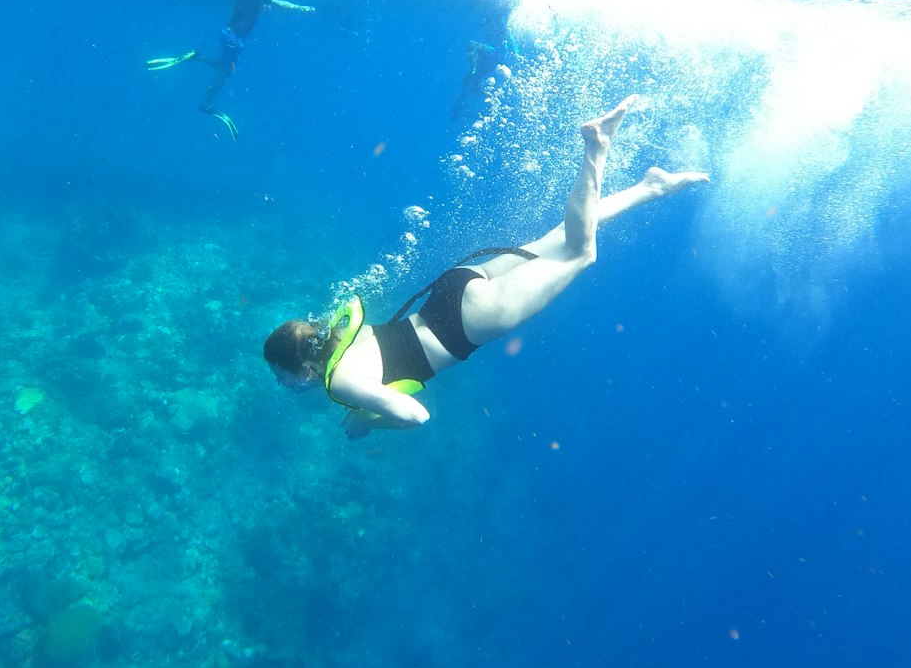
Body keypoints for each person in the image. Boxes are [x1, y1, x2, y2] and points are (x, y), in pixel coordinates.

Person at [264, 95, 708, 437]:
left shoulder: (338, 381)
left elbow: (416, 415)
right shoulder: (339, 334)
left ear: (302, 366)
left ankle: (597, 146)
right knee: (558, 238)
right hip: (453, 289)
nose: (281, 385)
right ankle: (651, 187)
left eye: (279, 375)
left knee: (580, 252)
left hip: (469, 322)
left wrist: (368, 421)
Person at [146, 0, 314, 139]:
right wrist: (301, 8)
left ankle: (196, 57)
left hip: (229, 34)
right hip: (234, 38)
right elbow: (279, 3)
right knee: (225, 70)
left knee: (224, 66)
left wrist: (262, 8)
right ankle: (205, 104)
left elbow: (248, 11)